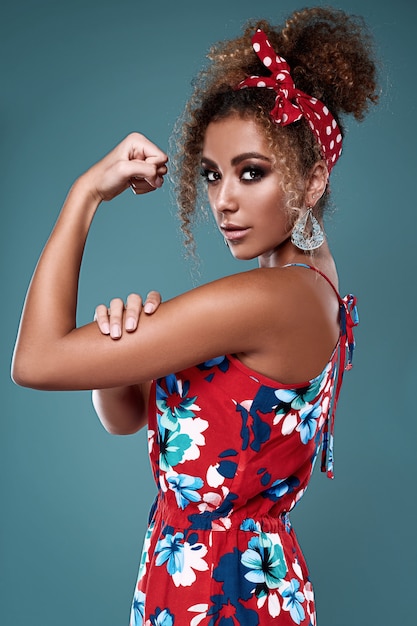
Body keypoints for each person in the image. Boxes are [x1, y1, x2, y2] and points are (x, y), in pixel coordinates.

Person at [12, 6, 378, 625]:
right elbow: (126, 418)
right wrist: (118, 349)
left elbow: (36, 361)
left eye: (252, 173)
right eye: (212, 175)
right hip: (204, 583)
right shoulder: (299, 292)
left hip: (225, 596)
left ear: (313, 179)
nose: (224, 201)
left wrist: (86, 194)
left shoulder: (278, 299)